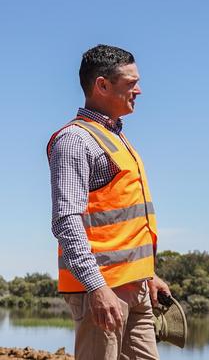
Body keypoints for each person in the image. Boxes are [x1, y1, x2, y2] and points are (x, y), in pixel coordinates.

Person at [47, 44, 170, 360]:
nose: (139, 90)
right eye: (131, 83)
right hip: (102, 291)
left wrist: (148, 274)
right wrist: (96, 287)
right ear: (102, 85)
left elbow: (126, 222)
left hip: (136, 287)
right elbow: (66, 221)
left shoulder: (116, 137)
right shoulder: (75, 140)